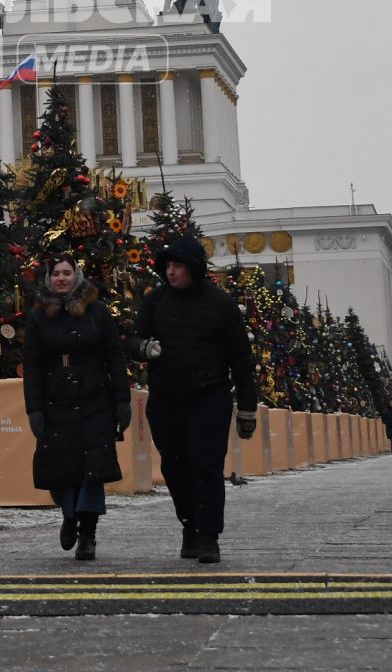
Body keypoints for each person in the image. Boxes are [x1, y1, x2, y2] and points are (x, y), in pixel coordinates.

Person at [130, 232, 258, 565]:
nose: (171, 272)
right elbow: (132, 337)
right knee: (175, 467)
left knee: (206, 466)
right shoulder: (156, 301)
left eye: (178, 266)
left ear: (194, 268)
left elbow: (241, 359)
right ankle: (189, 523)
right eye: (167, 266)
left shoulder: (221, 304)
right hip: (166, 399)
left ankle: (209, 535)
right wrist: (143, 347)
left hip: (209, 397)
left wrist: (247, 408)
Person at [24, 257, 131, 562]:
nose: (61, 278)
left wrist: (122, 400)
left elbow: (115, 356)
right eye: (56, 273)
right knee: (62, 469)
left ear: (76, 276)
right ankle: (70, 516)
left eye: (66, 273)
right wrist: (34, 408)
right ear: (49, 279)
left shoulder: (97, 312)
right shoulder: (38, 315)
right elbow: (31, 365)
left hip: (95, 398)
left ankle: (88, 533)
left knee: (93, 469)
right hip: (55, 401)